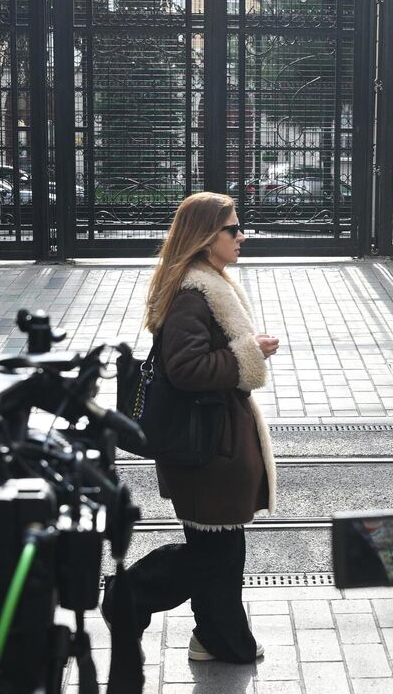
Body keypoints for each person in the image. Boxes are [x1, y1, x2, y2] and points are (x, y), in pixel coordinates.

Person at [104, 192, 281, 693]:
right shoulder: (191, 294)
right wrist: (250, 351)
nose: (241, 237)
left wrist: (245, 352)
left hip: (214, 441)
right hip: (207, 447)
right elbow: (184, 369)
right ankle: (127, 598)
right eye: (233, 229)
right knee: (213, 554)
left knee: (223, 547)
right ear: (207, 238)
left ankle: (218, 637)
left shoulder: (207, 285)